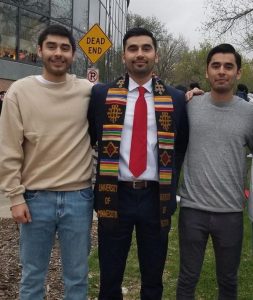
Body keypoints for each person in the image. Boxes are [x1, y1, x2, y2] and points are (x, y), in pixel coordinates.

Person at [88, 27, 189, 300]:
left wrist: (172, 186)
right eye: (133, 49)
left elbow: (180, 148)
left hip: (155, 197)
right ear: (124, 56)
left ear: (155, 54)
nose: (140, 54)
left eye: (146, 48)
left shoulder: (175, 100)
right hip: (114, 196)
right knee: (109, 278)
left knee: (153, 279)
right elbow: (91, 136)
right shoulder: (102, 95)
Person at [0, 24, 94, 300]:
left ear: (73, 55)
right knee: (32, 277)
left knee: (77, 278)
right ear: (39, 50)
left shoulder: (87, 91)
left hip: (78, 198)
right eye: (51, 46)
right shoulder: (19, 92)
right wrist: (15, 197)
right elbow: (8, 148)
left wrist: (189, 97)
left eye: (65, 48)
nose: (58, 53)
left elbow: (128, 99)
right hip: (35, 198)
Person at [176, 43, 253, 299]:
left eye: (228, 66)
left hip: (230, 212)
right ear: (207, 71)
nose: (222, 71)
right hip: (192, 210)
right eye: (216, 66)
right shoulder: (190, 106)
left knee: (228, 281)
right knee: (187, 279)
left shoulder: (249, 114)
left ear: (238, 73)